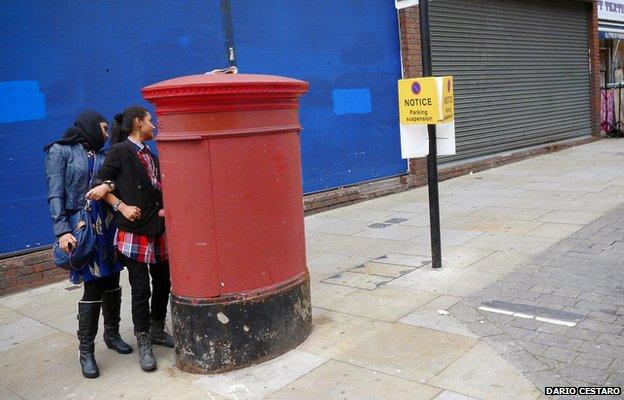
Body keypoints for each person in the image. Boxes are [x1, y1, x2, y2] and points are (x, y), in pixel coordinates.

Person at [44, 111, 133, 379]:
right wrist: (62, 231)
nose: (106, 134)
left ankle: (113, 334)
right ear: (90, 127)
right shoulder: (60, 151)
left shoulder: (105, 155)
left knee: (114, 280)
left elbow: (115, 181)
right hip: (82, 227)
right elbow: (56, 193)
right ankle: (86, 351)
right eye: (103, 129)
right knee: (92, 284)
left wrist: (108, 185)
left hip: (108, 224)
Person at [87, 105, 173, 372]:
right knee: (140, 288)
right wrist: (121, 207)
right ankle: (144, 341)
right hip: (133, 233)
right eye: (150, 121)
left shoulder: (152, 155)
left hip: (157, 229)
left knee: (163, 283)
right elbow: (100, 185)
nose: (154, 125)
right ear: (138, 122)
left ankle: (157, 327)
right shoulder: (119, 151)